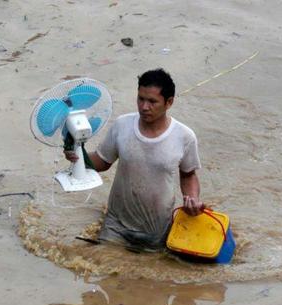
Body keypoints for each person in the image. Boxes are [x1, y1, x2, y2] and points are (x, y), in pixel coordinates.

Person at [65, 68, 203, 250]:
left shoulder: (184, 137)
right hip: (116, 225)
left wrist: (192, 199)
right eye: (141, 99)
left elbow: (188, 175)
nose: (144, 107)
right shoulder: (122, 125)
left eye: (152, 101)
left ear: (169, 102)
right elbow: (102, 161)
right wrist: (78, 155)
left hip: (157, 230)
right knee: (101, 264)